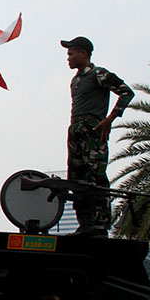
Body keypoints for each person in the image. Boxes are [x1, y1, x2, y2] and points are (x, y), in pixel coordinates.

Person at [63, 36, 134, 236]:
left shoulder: (98, 74)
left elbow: (126, 92)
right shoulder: (76, 80)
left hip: (92, 129)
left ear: (84, 54)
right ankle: (84, 222)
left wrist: (110, 119)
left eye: (71, 53)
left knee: (95, 176)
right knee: (77, 175)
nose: (68, 58)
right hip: (76, 128)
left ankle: (99, 224)